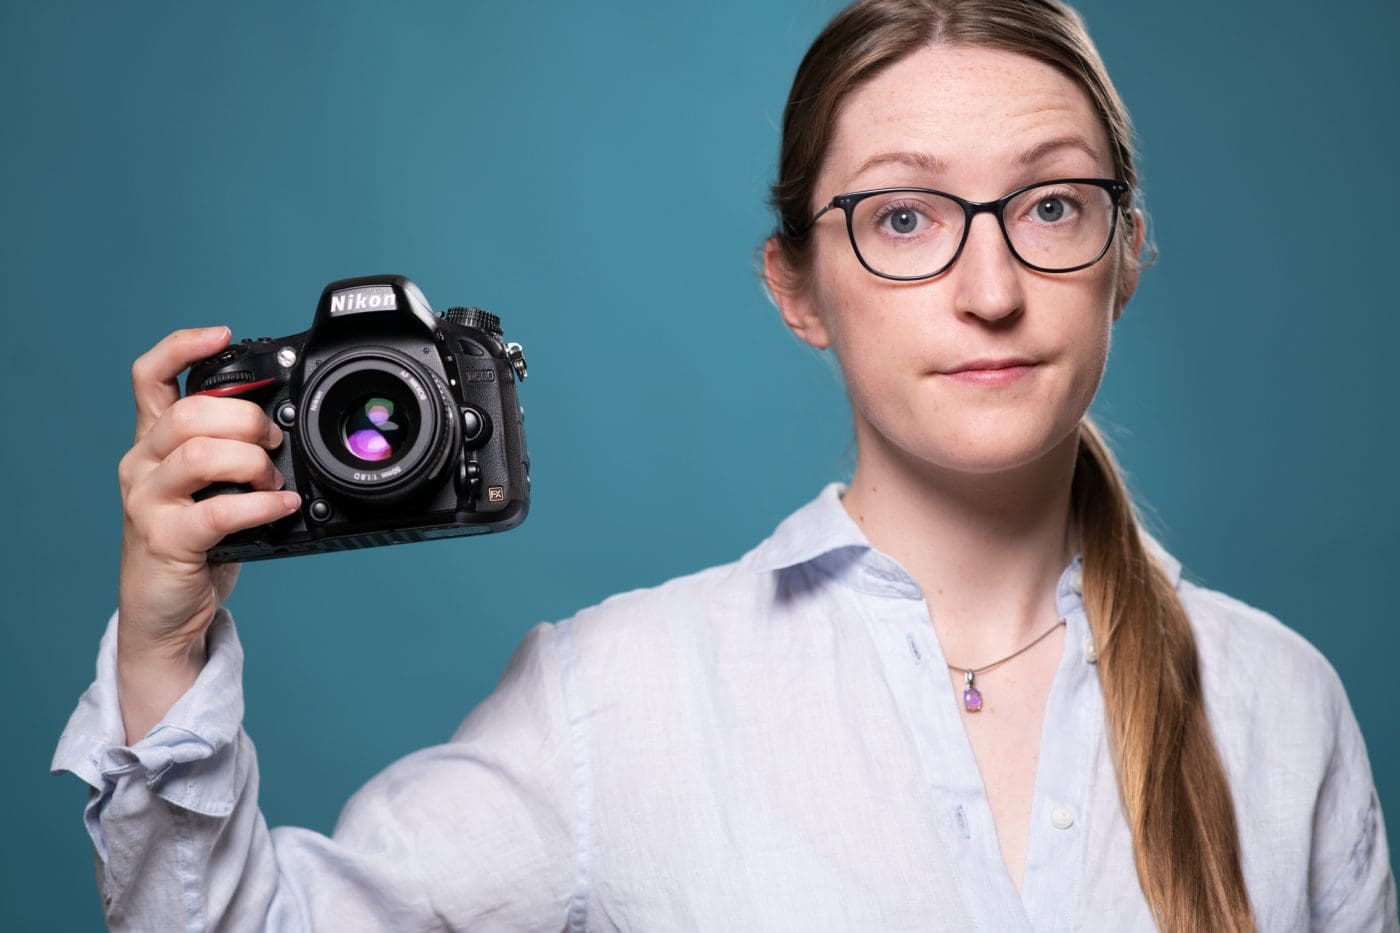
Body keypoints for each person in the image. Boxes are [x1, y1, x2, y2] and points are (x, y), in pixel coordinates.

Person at [54, 0, 1396, 929]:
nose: (991, 285)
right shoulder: (617, 703)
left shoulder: (1282, 703)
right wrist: (165, 648)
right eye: (906, 217)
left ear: (1125, 255)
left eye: (1051, 203)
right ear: (797, 288)